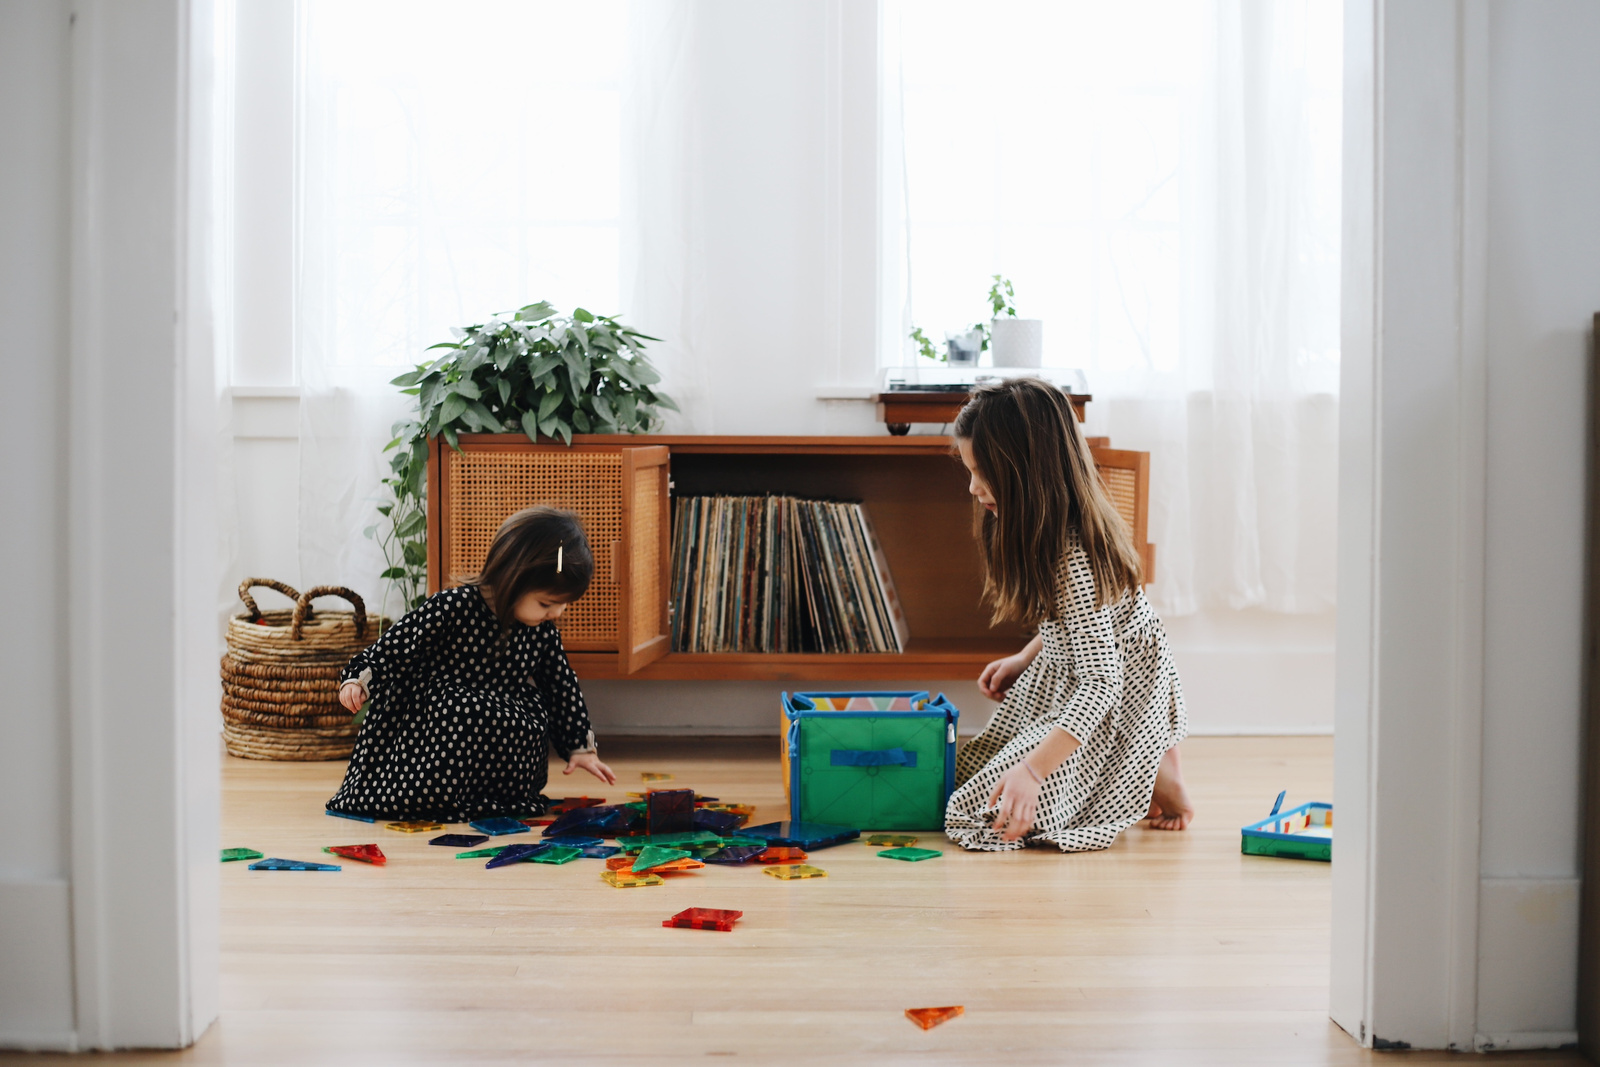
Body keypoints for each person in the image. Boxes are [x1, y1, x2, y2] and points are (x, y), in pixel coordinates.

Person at [944, 378, 1192, 851]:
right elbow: (1075, 622)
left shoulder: (1071, 556)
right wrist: (1024, 657)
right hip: (1075, 676)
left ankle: (1157, 770)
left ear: (1029, 471)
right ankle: (1148, 762)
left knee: (979, 814)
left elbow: (1102, 683)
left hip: (1113, 693)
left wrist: (1033, 771)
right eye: (971, 470)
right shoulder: (1048, 527)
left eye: (983, 473)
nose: (973, 488)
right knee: (968, 776)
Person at [326, 506, 615, 822]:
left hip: (497, 719)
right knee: (466, 710)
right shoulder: (453, 607)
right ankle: (431, 798)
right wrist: (360, 678)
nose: (556, 613)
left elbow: (561, 687)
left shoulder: (542, 631)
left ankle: (494, 799)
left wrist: (579, 746)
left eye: (563, 604)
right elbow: (398, 645)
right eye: (547, 603)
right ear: (511, 578)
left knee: (528, 721)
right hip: (437, 719)